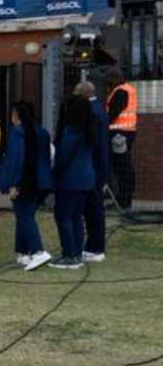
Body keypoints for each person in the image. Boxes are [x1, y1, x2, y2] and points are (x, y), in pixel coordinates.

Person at [0, 101, 53, 271]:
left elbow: (16, 159)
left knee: (24, 216)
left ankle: (37, 251)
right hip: (42, 181)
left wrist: (13, 184)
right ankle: (23, 252)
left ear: (17, 115)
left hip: (26, 182)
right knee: (25, 215)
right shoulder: (42, 132)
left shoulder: (17, 132)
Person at [50, 95, 98, 270]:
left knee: (63, 216)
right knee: (77, 217)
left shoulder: (71, 130)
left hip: (70, 180)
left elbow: (63, 157)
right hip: (86, 179)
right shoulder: (88, 129)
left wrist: (53, 172)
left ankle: (70, 255)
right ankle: (76, 253)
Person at [74, 79, 109, 262]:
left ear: (83, 94)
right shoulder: (98, 109)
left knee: (94, 209)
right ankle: (93, 246)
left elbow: (97, 145)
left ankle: (95, 248)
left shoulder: (92, 112)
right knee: (92, 209)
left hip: (93, 168)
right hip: (96, 167)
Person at [105, 72, 137, 209]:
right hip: (125, 132)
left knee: (122, 167)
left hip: (119, 133)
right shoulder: (127, 89)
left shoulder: (120, 92)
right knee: (123, 167)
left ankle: (124, 201)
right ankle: (123, 200)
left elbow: (112, 114)